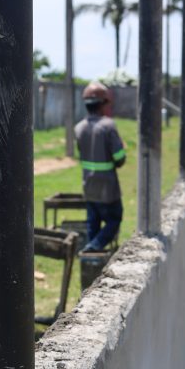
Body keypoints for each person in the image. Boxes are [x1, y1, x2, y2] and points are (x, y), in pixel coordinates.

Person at [74, 81, 127, 253]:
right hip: (108, 188)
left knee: (93, 222)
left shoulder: (79, 128)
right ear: (103, 104)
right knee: (114, 219)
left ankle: (91, 260)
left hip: (89, 185)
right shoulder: (108, 126)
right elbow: (119, 158)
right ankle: (94, 247)